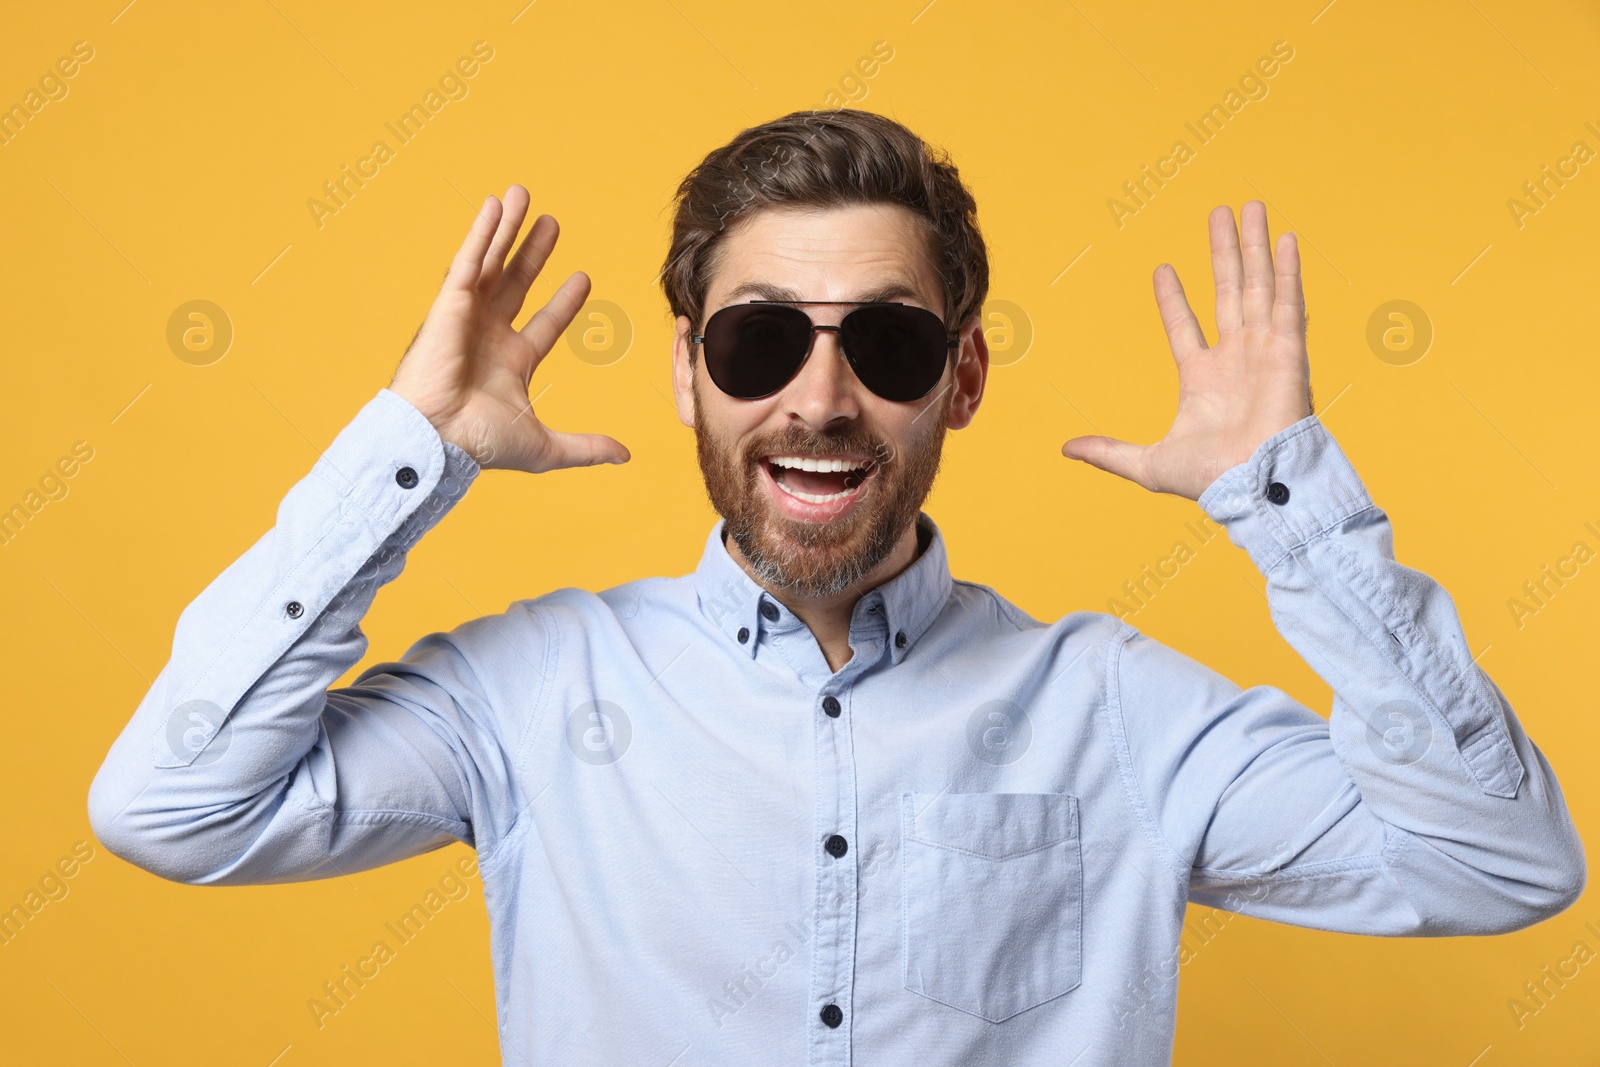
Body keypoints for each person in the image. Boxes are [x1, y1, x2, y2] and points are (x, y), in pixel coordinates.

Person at [88, 109, 1584, 1065]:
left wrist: (1291, 511)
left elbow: (1502, 868)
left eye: (889, 344)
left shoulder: (1119, 710)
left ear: (964, 375)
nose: (819, 398)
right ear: (687, 374)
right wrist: (409, 454)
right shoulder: (535, 693)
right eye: (757, 343)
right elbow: (172, 807)